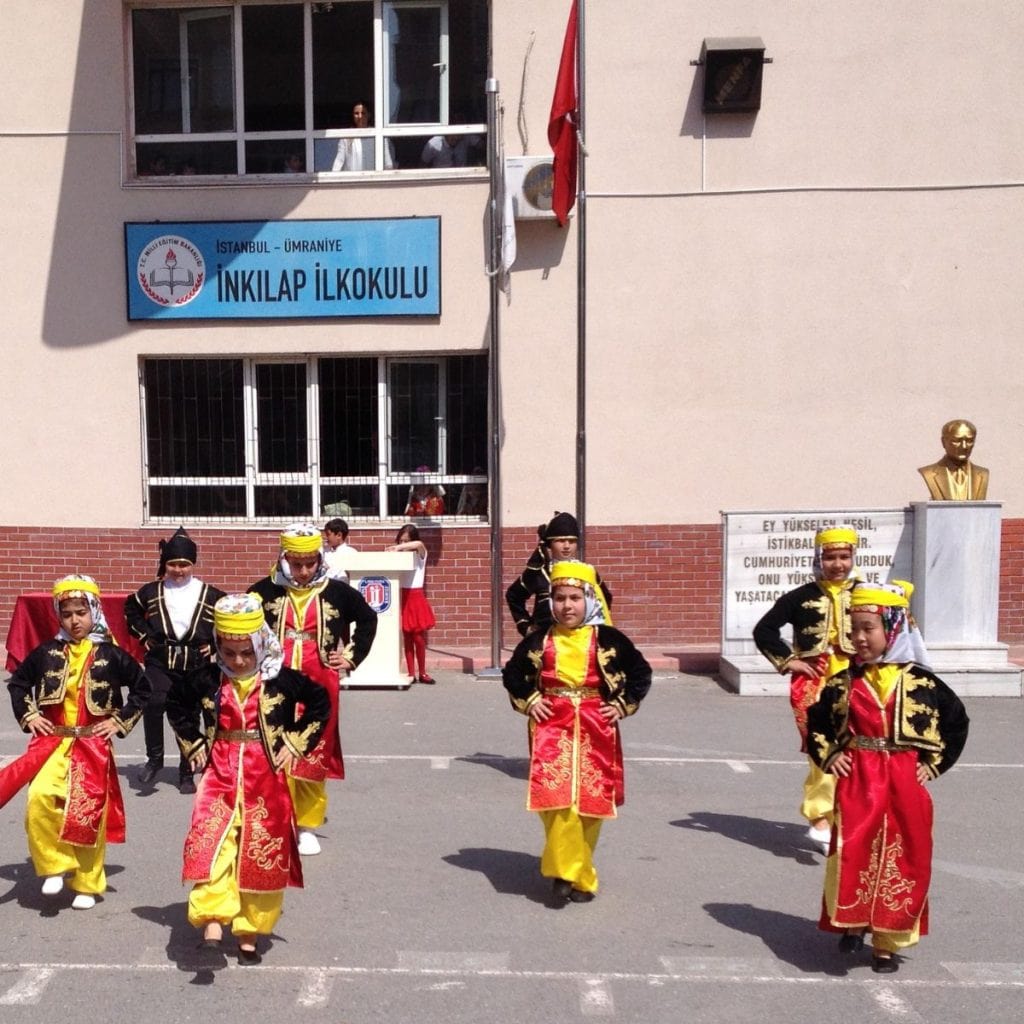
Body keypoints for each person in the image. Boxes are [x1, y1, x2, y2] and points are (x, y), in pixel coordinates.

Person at [807, 580, 969, 974]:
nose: (859, 638)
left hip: (903, 781)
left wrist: (935, 762)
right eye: (854, 628)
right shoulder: (843, 683)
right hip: (860, 777)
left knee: (906, 856)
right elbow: (817, 724)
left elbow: (957, 722)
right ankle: (853, 922)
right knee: (853, 850)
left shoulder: (922, 683)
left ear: (893, 629)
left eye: (869, 628)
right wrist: (830, 756)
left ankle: (887, 942)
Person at [166, 593, 331, 965]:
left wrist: (295, 740)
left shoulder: (282, 679)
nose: (238, 661)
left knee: (262, 851)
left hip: (266, 775)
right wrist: (193, 744)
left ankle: (249, 933)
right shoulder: (206, 678)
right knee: (212, 843)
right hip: (219, 771)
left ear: (260, 644)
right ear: (218, 647)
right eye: (228, 653)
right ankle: (211, 924)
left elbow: (320, 702)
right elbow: (177, 703)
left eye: (246, 653)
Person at [502, 560, 649, 903]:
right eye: (559, 598)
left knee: (591, 805)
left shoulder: (609, 639)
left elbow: (640, 672)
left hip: (598, 727)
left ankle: (577, 874)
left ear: (590, 600)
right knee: (554, 801)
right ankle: (570, 873)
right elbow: (513, 675)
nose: (567, 606)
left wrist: (623, 703)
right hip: (551, 724)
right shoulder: (539, 640)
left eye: (574, 598)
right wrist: (530, 700)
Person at [1, 575, 151, 910]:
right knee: (39, 799)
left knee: (87, 813)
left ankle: (87, 881)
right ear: (58, 615)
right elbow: (18, 685)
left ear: (94, 611)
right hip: (52, 742)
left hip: (92, 744)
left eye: (81, 612)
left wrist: (119, 720)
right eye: (67, 613)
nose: (74, 620)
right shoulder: (46, 652)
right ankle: (54, 864)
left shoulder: (112, 654)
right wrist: (29, 716)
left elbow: (143, 688)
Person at [248, 524, 377, 856]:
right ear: (284, 558)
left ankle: (306, 824)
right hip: (273, 681)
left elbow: (367, 619)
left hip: (320, 681)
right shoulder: (262, 592)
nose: (304, 571)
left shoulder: (337, 591)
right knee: (271, 747)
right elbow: (239, 629)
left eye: (310, 563)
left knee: (310, 752)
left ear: (319, 559)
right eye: (296, 563)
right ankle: (275, 815)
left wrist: (350, 656)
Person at [753, 526, 860, 853]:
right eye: (830, 557)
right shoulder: (800, 597)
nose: (838, 564)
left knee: (857, 747)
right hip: (815, 681)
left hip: (857, 677)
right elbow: (765, 630)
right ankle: (820, 819)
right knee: (821, 746)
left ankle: (849, 816)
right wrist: (789, 661)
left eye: (844, 557)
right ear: (819, 559)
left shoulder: (866, 593)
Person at [125, 526, 225, 793]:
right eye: (173, 564)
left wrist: (215, 645)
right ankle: (154, 759)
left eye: (184, 564)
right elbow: (131, 611)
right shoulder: (150, 591)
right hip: (161, 660)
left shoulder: (212, 595)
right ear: (165, 564)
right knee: (154, 701)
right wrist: (145, 637)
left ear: (192, 564)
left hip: (195, 664)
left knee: (189, 713)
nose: (179, 570)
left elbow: (228, 624)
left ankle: (185, 770)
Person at [505, 511, 612, 638]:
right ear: (550, 544)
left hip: (581, 641)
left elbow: (605, 598)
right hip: (546, 641)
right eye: (561, 541)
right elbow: (514, 595)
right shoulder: (539, 572)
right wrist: (526, 627)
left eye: (571, 541)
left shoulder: (586, 572)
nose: (567, 546)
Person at [390, 523, 437, 684]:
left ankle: (422, 672)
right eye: (400, 541)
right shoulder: (397, 557)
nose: (403, 544)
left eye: (406, 541)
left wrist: (399, 547)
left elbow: (419, 545)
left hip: (416, 596)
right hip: (402, 596)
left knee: (418, 636)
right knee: (407, 637)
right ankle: (411, 672)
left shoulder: (420, 555)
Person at [917, 418, 990, 500]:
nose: (964, 446)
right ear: (943, 442)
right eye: (957, 441)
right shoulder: (928, 472)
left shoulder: (983, 474)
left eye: (969, 440)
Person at [330, 102, 395, 171]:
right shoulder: (346, 137)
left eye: (363, 113)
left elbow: (388, 163)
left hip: (375, 179)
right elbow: (339, 161)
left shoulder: (378, 136)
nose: (360, 116)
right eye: (356, 113)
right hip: (354, 179)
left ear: (369, 115)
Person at [323, 517, 358, 582]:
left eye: (328, 535)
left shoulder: (351, 553)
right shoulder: (323, 552)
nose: (326, 538)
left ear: (339, 535)